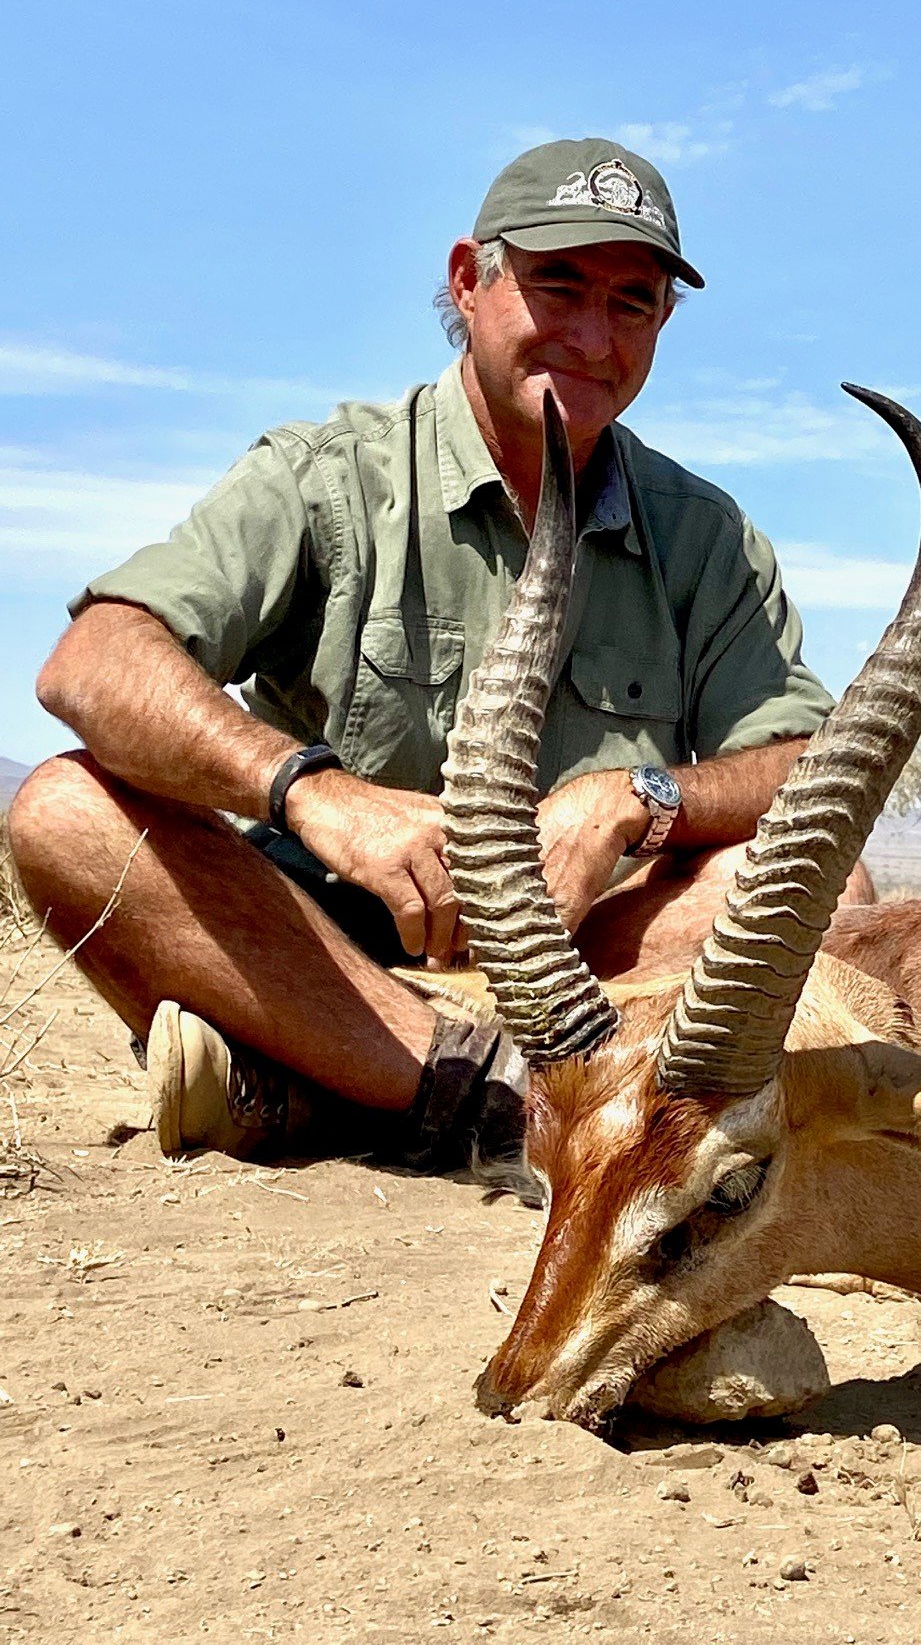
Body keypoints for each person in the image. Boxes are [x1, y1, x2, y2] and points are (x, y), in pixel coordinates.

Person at [8, 137, 868, 1172]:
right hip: (324, 961)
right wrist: (309, 794)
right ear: (470, 281)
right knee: (62, 813)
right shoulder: (329, 477)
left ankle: (343, 1105)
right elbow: (93, 661)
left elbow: (812, 765)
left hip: (585, 977)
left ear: (663, 323)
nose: (593, 336)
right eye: (559, 286)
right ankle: (507, 1106)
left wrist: (638, 798)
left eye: (632, 304)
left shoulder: (706, 537)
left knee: (829, 882)